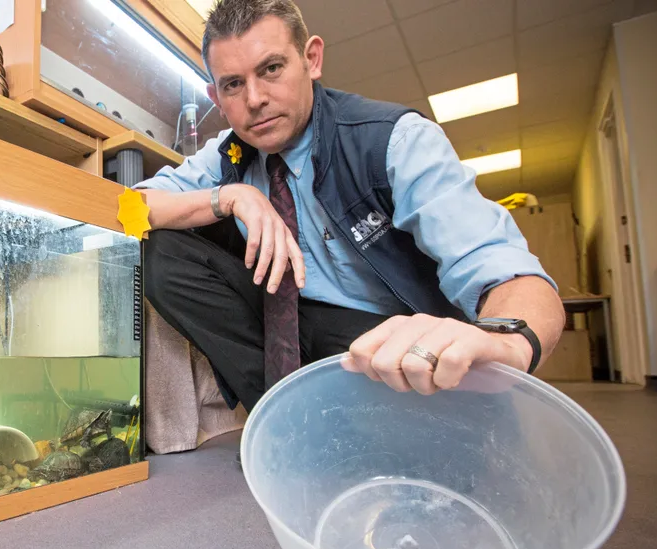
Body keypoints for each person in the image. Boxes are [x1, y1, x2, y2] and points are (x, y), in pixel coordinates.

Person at [137, 0, 565, 414]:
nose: (254, 99)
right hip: (289, 328)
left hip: (385, 337)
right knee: (164, 253)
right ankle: (283, 418)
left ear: (312, 59)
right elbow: (133, 206)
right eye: (233, 84)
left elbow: (506, 271)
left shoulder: (395, 141)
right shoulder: (228, 155)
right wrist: (230, 197)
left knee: (412, 435)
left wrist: (506, 341)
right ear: (216, 94)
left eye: (271, 69)